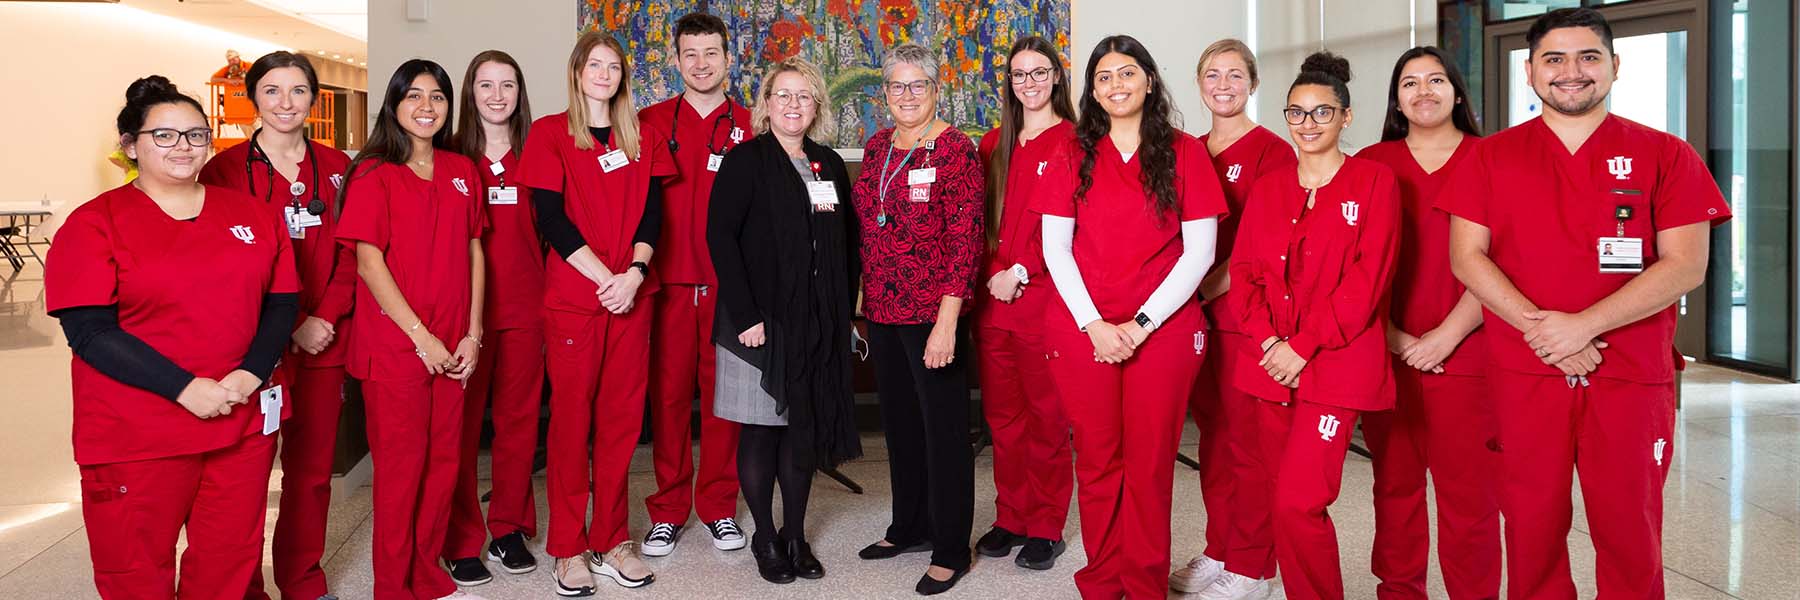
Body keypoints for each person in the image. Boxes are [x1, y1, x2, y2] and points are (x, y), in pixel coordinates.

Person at [1442, 9, 1729, 598]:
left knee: (1631, 527)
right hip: (1526, 373)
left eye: (1588, 57)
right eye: (1554, 59)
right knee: (1531, 523)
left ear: (1615, 66)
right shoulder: (1490, 157)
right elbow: (1467, 257)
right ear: (1530, 72)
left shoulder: (1665, 155)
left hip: (1628, 375)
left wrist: (1583, 327)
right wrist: (1545, 333)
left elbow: (1686, 264)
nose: (1571, 72)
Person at [48, 75, 298, 600]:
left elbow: (281, 303)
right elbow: (89, 331)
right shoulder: (95, 224)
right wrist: (186, 388)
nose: (183, 147)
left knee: (229, 559)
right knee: (136, 568)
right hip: (138, 432)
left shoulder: (250, 214)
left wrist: (249, 374)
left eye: (195, 134)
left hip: (240, 418)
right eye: (164, 135)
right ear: (129, 144)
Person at [1034, 34, 1225, 599]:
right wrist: (1095, 324)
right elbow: (1055, 250)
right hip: (1082, 327)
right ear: (1092, 90)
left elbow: (1200, 253)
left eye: (1126, 73)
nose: (1116, 85)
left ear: (1148, 80)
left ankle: (1142, 583)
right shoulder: (1070, 152)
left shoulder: (1186, 152)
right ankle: (1102, 579)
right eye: (1104, 77)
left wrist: (1140, 325)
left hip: (1162, 330)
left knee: (1148, 465)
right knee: (1096, 459)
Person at [1229, 51, 1401, 600]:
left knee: (1299, 501)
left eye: (1322, 113)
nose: (1308, 124)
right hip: (1269, 364)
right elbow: (1245, 274)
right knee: (1280, 493)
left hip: (1336, 364)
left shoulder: (1375, 183)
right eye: (1296, 113)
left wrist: (1301, 346)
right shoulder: (1270, 187)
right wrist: (1270, 343)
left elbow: (1366, 282)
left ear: (1345, 117)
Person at [517, 31, 674, 596]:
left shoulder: (644, 137)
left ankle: (612, 539)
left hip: (632, 297)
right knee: (571, 424)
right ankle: (567, 547)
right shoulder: (549, 134)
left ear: (622, 76)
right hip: (577, 300)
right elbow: (550, 219)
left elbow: (654, 215)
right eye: (595, 65)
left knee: (621, 424)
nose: (604, 74)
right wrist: (605, 279)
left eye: (613, 66)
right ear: (578, 71)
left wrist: (633, 274)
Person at [196, 50, 355, 600]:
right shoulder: (221, 170)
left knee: (310, 475)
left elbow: (353, 254)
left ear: (314, 98)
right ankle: (241, 588)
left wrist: (324, 318)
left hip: (324, 343)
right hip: (252, 346)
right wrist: (288, 326)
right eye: (272, 90)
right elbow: (219, 265)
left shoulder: (338, 167)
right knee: (242, 481)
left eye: (297, 91)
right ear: (254, 97)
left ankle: (302, 580)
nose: (285, 103)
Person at [705, 56, 863, 585]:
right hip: (758, 323)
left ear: (816, 105)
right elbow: (720, 239)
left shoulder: (828, 163)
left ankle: (795, 536)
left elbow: (848, 245)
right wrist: (748, 315)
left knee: (800, 434)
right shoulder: (746, 160)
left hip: (816, 322)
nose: (794, 105)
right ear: (767, 105)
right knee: (761, 433)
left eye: (804, 96)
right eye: (784, 95)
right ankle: (766, 538)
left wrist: (844, 316)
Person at [336, 59, 488, 600]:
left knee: (444, 464)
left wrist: (473, 333)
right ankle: (393, 585)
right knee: (402, 473)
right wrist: (421, 336)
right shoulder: (373, 173)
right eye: (414, 96)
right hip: (398, 344)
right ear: (394, 105)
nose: (427, 107)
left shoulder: (461, 170)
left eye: (438, 97)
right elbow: (368, 261)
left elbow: (475, 250)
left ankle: (427, 571)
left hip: (455, 342)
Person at [1353, 45, 1498, 600]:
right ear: (1396, 99)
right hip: (1388, 349)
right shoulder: (1370, 163)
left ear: (1457, 92)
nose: (1424, 91)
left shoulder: (1492, 158)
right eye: (1409, 83)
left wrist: (1448, 335)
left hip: (1471, 350)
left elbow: (1504, 260)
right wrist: (1392, 335)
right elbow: (1351, 262)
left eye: (1436, 80)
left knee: (1471, 493)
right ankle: (1399, 589)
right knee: (1394, 485)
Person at [849, 42, 983, 597]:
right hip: (881, 310)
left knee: (944, 433)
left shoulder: (955, 151)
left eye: (917, 85)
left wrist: (948, 321)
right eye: (897, 86)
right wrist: (860, 301)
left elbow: (965, 242)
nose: (907, 95)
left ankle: (951, 547)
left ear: (935, 89)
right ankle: (908, 527)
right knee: (901, 429)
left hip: (934, 314)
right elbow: (867, 229)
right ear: (885, 94)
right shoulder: (878, 145)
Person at [1170, 38, 1296, 600]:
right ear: (1199, 83)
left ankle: (1253, 567)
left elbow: (1260, 246)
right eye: (1212, 74)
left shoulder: (1273, 151)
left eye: (1235, 75)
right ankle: (1220, 549)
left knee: (1251, 448)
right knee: (1215, 444)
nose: (1223, 84)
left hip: (1247, 320)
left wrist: (1200, 291)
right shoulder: (1186, 150)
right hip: (1195, 320)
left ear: (1253, 83)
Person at [636, 12, 752, 557]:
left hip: (730, 289)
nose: (701, 64)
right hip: (667, 285)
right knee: (669, 399)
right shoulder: (647, 121)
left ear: (729, 59)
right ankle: (667, 508)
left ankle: (719, 506)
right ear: (676, 60)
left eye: (712, 53)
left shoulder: (753, 124)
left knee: (724, 400)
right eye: (691, 54)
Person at [972, 34, 1076, 572]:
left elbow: (1079, 233)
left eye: (1039, 72)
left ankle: (1046, 525)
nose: (1029, 83)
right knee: (1003, 420)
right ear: (1009, 83)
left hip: (1046, 307)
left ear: (1056, 76)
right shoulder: (994, 144)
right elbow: (978, 226)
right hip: (994, 306)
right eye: (1019, 74)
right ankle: (1010, 516)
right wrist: (995, 273)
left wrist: (1022, 271)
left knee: (1046, 420)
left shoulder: (1078, 143)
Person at [440, 49, 545, 584]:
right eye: (486, 85)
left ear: (519, 94)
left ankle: (508, 528)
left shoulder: (540, 152)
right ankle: (460, 537)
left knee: (518, 424)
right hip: (465, 316)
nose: (498, 96)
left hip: (528, 307)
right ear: (470, 93)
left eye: (508, 85)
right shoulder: (448, 156)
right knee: (458, 428)